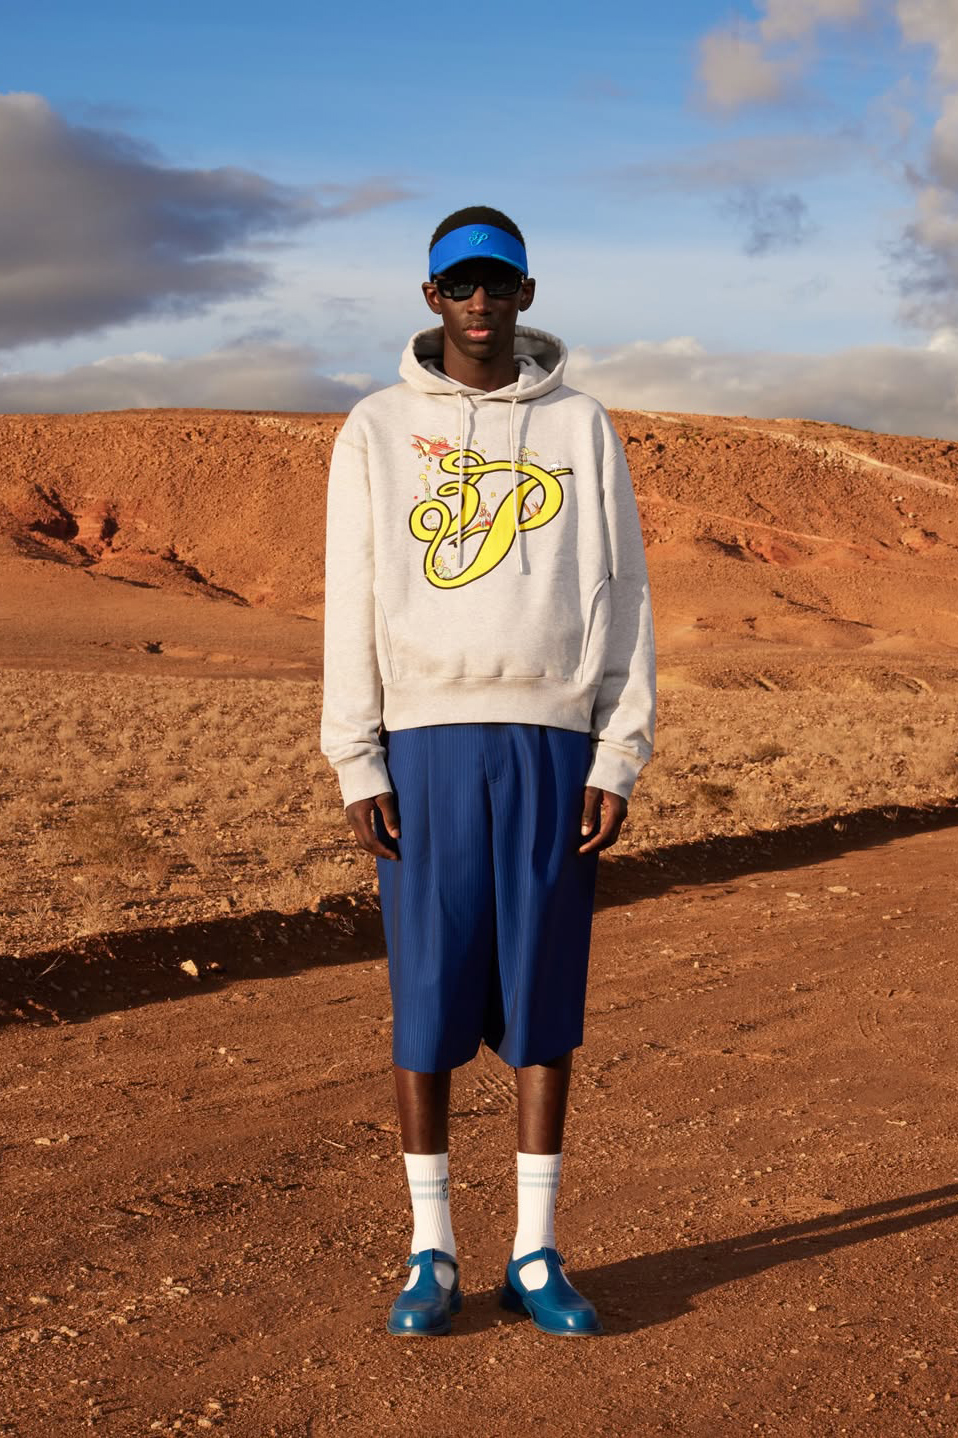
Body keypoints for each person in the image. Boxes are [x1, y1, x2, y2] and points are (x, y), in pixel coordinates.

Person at [320, 205, 656, 1338]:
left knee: (543, 1000)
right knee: (426, 1001)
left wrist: (618, 747)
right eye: (458, 283)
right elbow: (353, 594)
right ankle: (433, 1252)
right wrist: (356, 754)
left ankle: (534, 1250)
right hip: (423, 744)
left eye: (496, 283)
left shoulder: (579, 425)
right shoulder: (376, 428)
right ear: (430, 297)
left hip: (552, 742)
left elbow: (626, 592)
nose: (478, 301)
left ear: (525, 293)